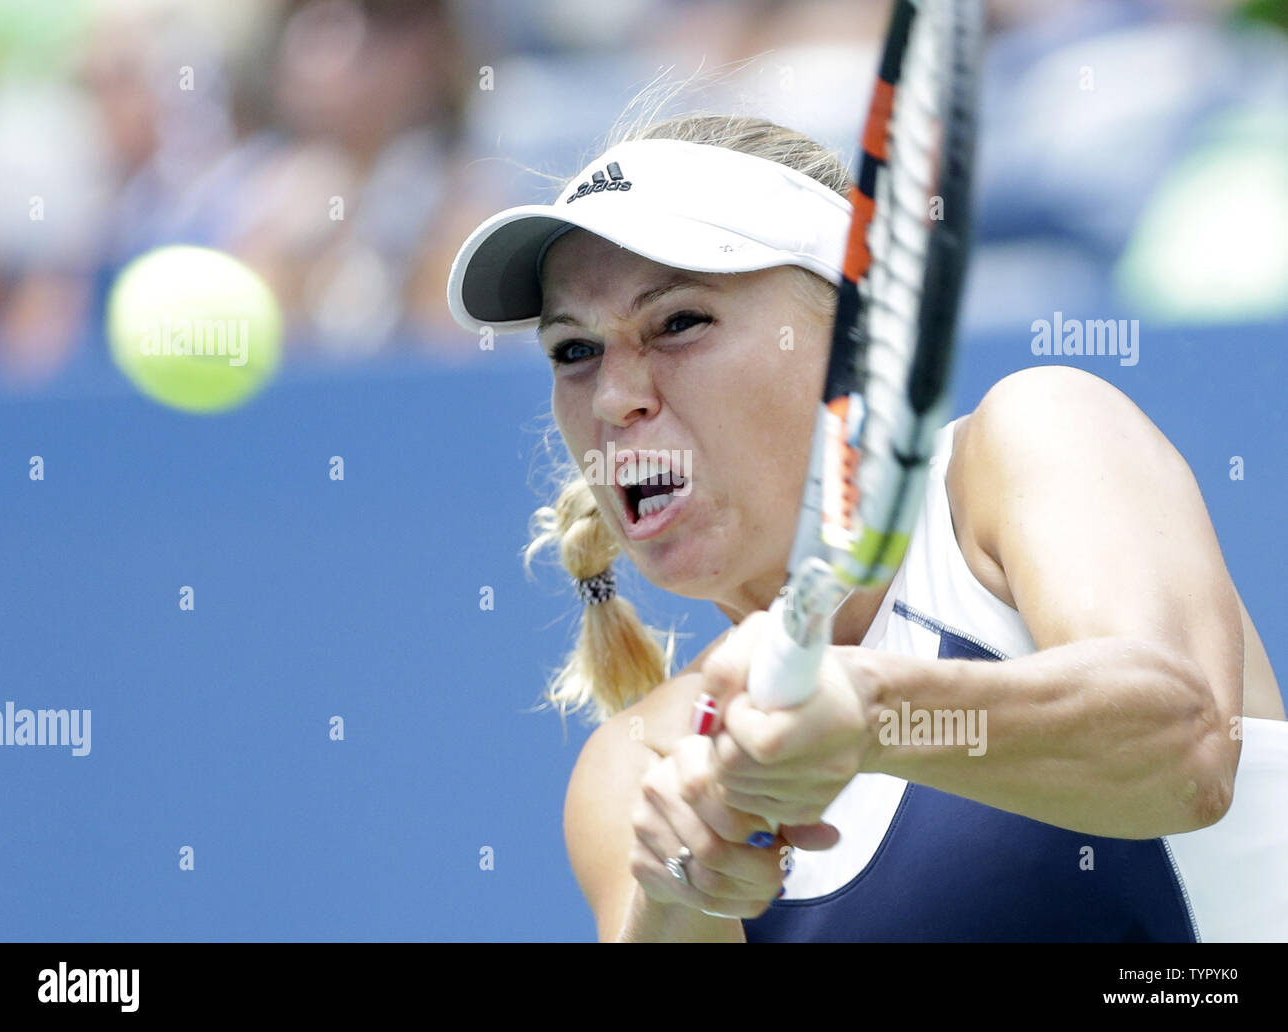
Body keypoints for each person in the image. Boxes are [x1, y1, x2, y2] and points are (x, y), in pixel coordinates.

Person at [446, 113, 1287, 943]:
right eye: (573, 350)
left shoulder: (1034, 438)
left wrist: (872, 713)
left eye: (678, 323)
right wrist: (681, 895)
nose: (612, 397)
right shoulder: (635, 770)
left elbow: (1187, 746)